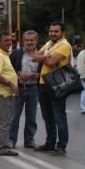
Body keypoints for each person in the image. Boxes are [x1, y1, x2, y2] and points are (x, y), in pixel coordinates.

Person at [31, 21, 71, 156]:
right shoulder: (48, 44)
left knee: (59, 117)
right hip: (43, 84)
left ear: (62, 33)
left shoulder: (64, 46)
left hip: (57, 84)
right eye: (51, 31)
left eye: (56, 31)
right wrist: (47, 56)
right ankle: (50, 143)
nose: (53, 33)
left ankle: (61, 146)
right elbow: (34, 57)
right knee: (47, 116)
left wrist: (45, 57)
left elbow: (50, 62)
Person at [0, 31, 19, 156]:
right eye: (6, 40)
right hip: (2, 94)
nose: (9, 43)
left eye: (10, 40)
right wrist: (11, 84)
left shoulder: (2, 54)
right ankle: (2, 147)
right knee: (4, 122)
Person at [8, 30, 40, 148]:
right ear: (23, 41)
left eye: (32, 40)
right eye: (27, 40)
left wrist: (38, 75)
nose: (29, 42)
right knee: (14, 116)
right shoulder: (16, 54)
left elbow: (46, 70)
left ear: (36, 41)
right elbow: (9, 69)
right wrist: (19, 74)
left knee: (31, 116)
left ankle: (29, 140)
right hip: (19, 88)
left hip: (34, 88)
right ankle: (11, 140)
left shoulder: (41, 53)